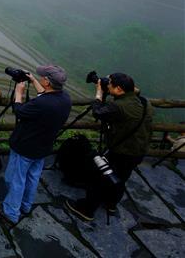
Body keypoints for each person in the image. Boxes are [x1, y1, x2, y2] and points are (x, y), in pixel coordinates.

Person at [65, 72, 153, 222]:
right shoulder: (144, 102)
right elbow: (133, 93)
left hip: (121, 151)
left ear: (119, 89)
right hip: (139, 151)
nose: (107, 85)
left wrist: (99, 92)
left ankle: (86, 210)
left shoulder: (118, 106)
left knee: (100, 178)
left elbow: (98, 111)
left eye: (110, 84)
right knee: (121, 178)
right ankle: (111, 204)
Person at [0, 65, 71, 225]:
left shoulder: (42, 104)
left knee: (16, 179)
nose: (41, 78)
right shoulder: (64, 99)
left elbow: (20, 111)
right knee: (32, 177)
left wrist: (18, 94)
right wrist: (34, 81)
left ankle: (10, 212)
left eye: (42, 77)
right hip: (42, 147)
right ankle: (26, 206)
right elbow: (46, 96)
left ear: (48, 82)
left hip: (25, 147)